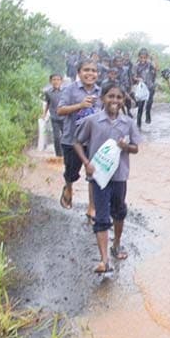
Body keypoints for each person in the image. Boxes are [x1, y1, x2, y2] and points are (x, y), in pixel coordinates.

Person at [74, 83, 142, 275]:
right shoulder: (92, 121)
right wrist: (86, 162)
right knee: (102, 217)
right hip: (99, 177)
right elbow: (78, 143)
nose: (115, 101)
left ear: (123, 101)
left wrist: (126, 147)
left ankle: (117, 244)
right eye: (111, 96)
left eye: (119, 97)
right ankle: (104, 260)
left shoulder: (128, 123)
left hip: (120, 176)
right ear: (103, 98)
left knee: (119, 211)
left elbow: (136, 148)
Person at [57, 59, 102, 218]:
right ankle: (68, 187)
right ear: (79, 73)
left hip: (93, 141)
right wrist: (80, 106)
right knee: (71, 173)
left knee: (93, 174)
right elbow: (60, 110)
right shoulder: (70, 90)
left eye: (93, 71)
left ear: (97, 74)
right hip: (72, 140)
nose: (90, 74)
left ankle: (91, 208)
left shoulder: (100, 92)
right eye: (86, 70)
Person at [132, 48, 157, 125]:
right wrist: (138, 79)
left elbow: (156, 69)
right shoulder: (136, 66)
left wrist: (155, 60)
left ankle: (148, 115)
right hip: (142, 88)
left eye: (144, 57)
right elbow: (134, 77)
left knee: (149, 103)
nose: (143, 59)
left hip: (150, 86)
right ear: (139, 57)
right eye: (141, 57)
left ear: (147, 57)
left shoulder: (150, 64)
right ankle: (138, 124)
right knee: (141, 106)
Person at [43, 73, 66, 158]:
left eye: (58, 79)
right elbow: (48, 103)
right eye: (54, 80)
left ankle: (66, 154)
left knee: (65, 137)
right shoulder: (48, 92)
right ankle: (58, 155)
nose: (56, 81)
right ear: (50, 81)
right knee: (56, 137)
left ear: (61, 81)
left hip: (65, 117)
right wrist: (44, 114)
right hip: (54, 118)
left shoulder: (65, 91)